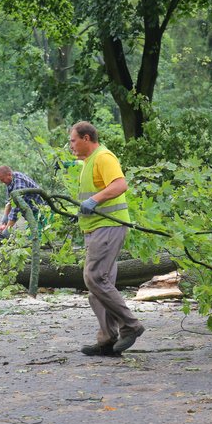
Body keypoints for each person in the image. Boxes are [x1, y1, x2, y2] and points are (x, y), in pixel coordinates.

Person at [69, 121, 144, 356]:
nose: (70, 145)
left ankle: (131, 326)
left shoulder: (104, 157)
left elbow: (120, 185)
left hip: (108, 227)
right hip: (96, 228)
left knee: (94, 278)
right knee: (98, 287)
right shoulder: (87, 162)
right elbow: (95, 192)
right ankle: (107, 340)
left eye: (73, 140)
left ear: (87, 138)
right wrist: (82, 209)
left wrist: (94, 202)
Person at [0, 166, 46, 238]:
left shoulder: (19, 183)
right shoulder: (10, 181)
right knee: (29, 236)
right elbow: (10, 201)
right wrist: (5, 217)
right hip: (32, 212)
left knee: (35, 238)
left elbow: (16, 209)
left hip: (42, 211)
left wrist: (7, 230)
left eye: (3, 179)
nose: (2, 182)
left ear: (9, 174)